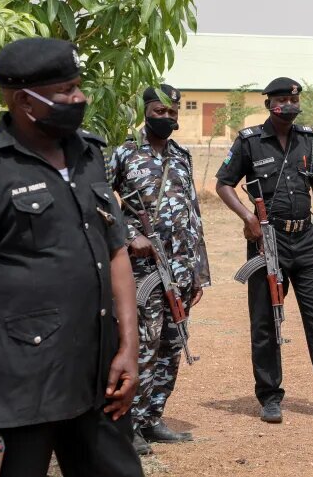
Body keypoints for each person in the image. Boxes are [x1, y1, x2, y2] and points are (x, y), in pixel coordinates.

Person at [0, 37, 143, 477]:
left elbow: (117, 255)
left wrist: (128, 347)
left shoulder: (89, 154)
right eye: (65, 92)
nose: (80, 99)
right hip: (20, 387)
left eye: (78, 86)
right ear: (23, 102)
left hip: (99, 380)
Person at [215, 77, 313, 424]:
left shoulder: (308, 139)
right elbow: (223, 184)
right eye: (281, 99)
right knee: (265, 322)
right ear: (268, 104)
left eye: (294, 99)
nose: (289, 104)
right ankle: (269, 397)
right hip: (268, 241)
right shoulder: (249, 141)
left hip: (307, 241)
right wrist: (248, 217)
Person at [110, 84, 211, 453]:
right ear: (145, 110)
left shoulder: (181, 156)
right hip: (142, 272)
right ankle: (129, 423)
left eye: (172, 113)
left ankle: (153, 418)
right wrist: (128, 234)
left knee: (171, 344)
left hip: (180, 270)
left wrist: (199, 270)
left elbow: (192, 215)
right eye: (159, 111)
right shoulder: (124, 154)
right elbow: (99, 203)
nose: (166, 118)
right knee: (144, 345)